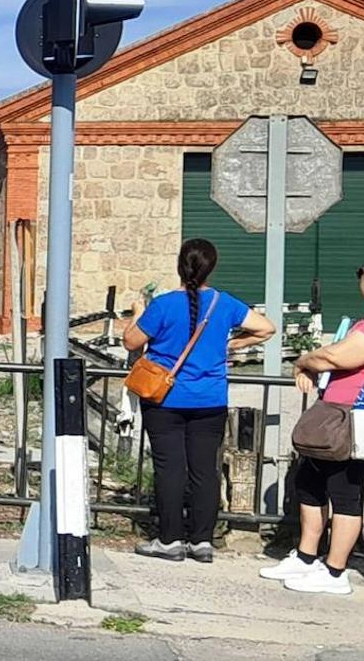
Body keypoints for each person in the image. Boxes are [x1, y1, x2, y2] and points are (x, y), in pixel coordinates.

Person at [261, 252, 364, 595]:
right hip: (339, 413)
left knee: (344, 493)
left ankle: (335, 571)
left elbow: (340, 355)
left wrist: (303, 360)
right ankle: (306, 557)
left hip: (351, 416)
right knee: (310, 482)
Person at [123, 238, 276, 562]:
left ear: (180, 265)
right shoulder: (225, 303)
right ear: (211, 267)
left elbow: (130, 340)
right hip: (210, 399)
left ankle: (169, 539)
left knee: (170, 468)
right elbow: (266, 328)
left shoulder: (163, 305)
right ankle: (202, 541)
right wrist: (228, 345)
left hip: (165, 399)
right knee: (205, 470)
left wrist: (137, 313)